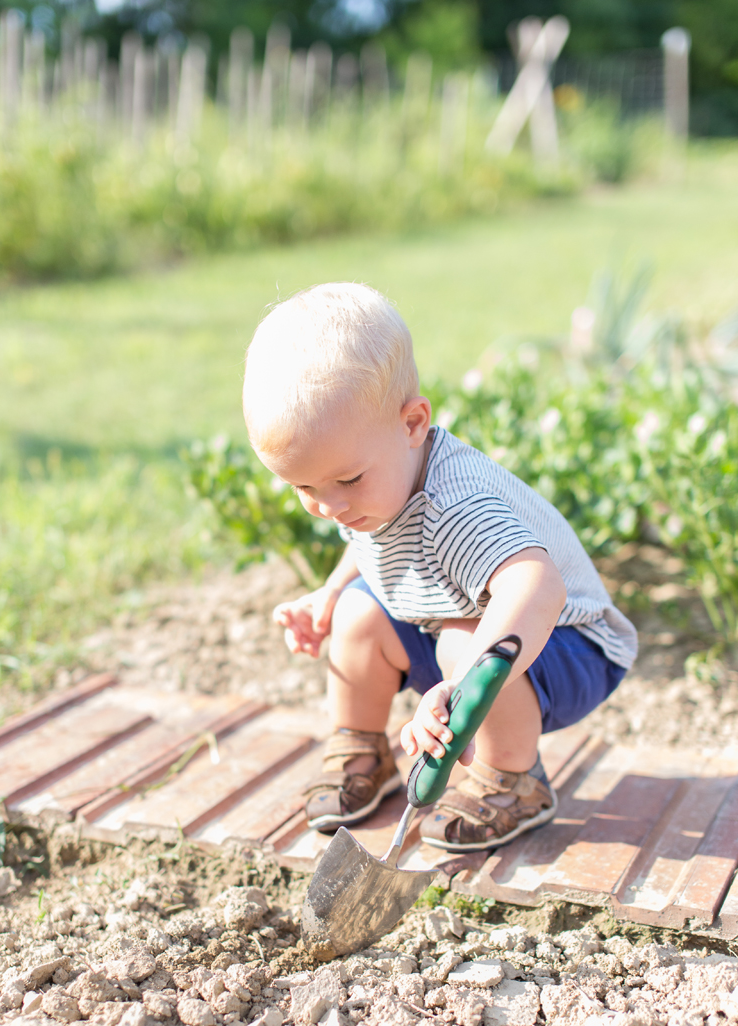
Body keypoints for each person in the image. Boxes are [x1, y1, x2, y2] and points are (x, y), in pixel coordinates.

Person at [241, 282, 636, 851]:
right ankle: (363, 750)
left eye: (346, 481)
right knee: (357, 614)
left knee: (458, 640)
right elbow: (371, 537)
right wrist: (329, 592)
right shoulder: (375, 476)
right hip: (470, 635)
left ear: (411, 423)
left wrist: (464, 678)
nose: (329, 507)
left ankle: (512, 779)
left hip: (569, 646)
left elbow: (536, 584)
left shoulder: (457, 507)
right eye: (304, 486)